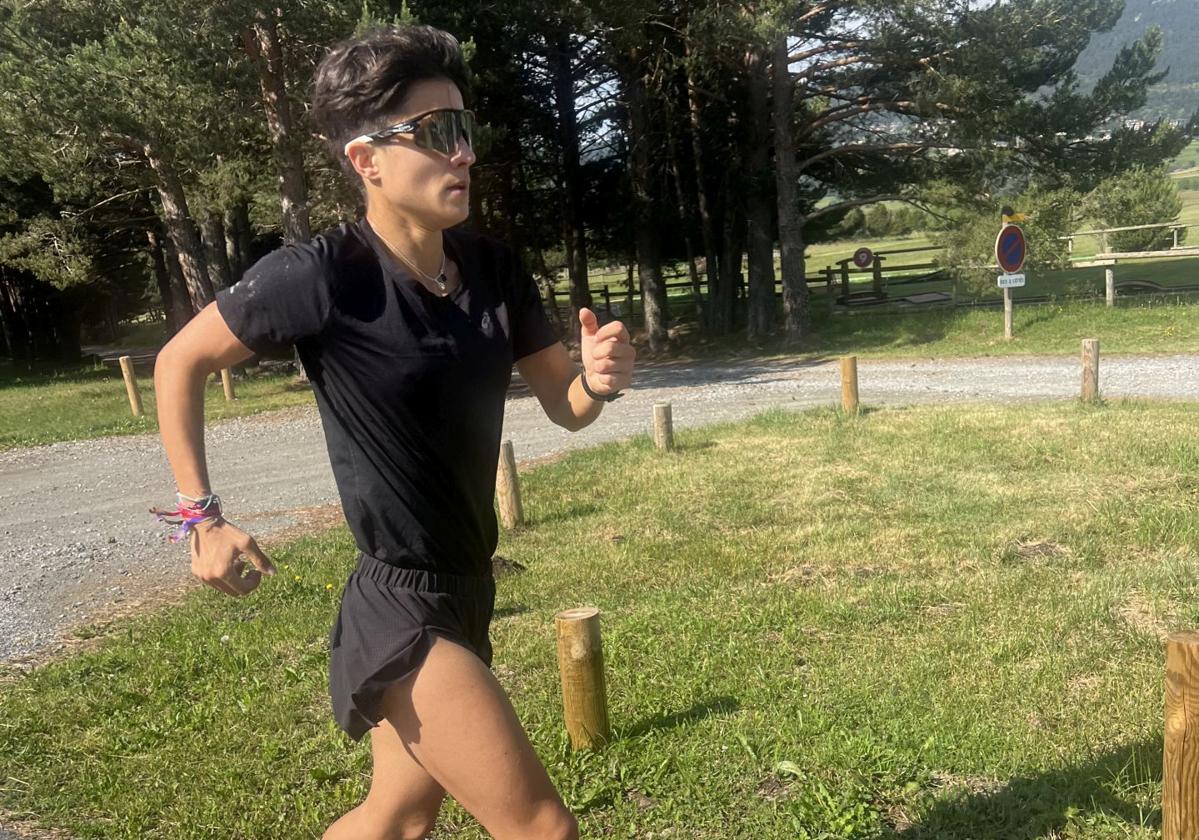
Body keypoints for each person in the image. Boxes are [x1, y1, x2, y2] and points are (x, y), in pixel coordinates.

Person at [151, 23, 635, 840]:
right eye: (437, 134)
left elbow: (565, 406)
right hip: (399, 604)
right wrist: (201, 518)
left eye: (465, 129)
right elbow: (179, 361)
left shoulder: (492, 271)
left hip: (467, 584)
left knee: (398, 816)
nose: (464, 155)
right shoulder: (322, 275)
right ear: (366, 161)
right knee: (542, 828)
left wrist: (598, 379)